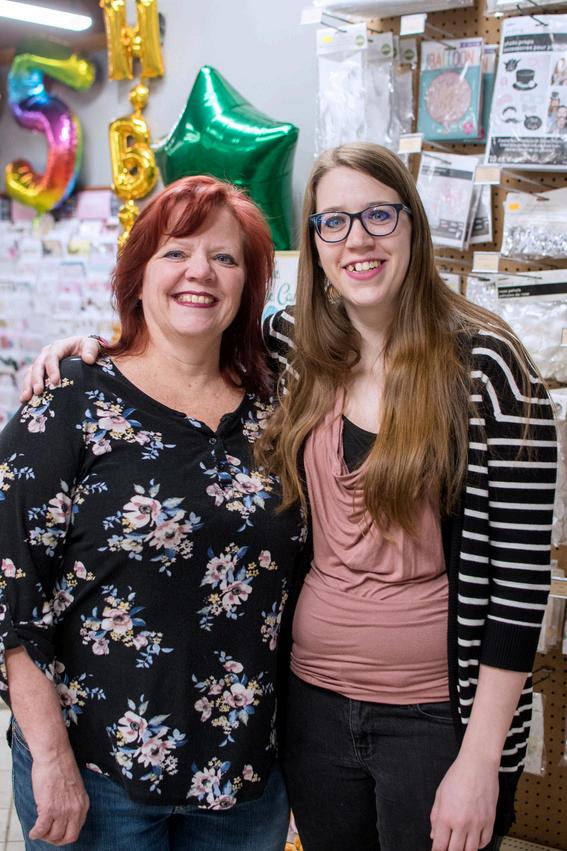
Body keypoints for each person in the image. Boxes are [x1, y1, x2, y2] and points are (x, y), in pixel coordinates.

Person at [22, 143, 557, 851]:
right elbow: (182, 334)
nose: (357, 239)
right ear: (314, 241)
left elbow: (519, 587)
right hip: (303, 713)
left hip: (423, 717)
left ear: (413, 224)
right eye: (333, 221)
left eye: (378, 215)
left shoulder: (485, 368)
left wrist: (483, 760)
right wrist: (89, 347)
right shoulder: (294, 348)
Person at [0, 175, 307, 850]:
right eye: (175, 252)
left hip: (242, 780)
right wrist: (48, 756)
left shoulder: (279, 412)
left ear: (248, 287)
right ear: (137, 274)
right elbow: (10, 589)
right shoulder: (70, 398)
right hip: (96, 773)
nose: (200, 271)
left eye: (224, 257)